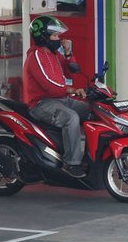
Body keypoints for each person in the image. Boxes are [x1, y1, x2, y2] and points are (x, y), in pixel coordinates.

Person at [23, 15, 90, 178]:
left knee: (91, 110)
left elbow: (71, 71)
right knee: (71, 118)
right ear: (43, 37)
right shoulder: (36, 56)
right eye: (55, 36)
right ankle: (71, 164)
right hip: (41, 104)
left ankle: (89, 156)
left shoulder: (53, 54)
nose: (59, 39)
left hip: (60, 99)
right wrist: (72, 90)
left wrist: (68, 53)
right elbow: (50, 86)